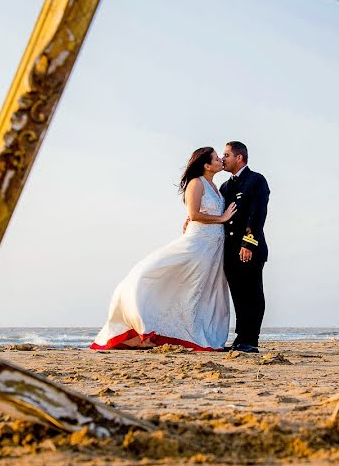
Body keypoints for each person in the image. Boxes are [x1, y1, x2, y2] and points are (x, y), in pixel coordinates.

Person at [91, 147, 237, 351]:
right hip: (198, 243)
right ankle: (143, 323)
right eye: (216, 158)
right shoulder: (196, 183)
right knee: (165, 276)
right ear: (206, 165)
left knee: (199, 291)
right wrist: (221, 218)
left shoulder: (216, 187)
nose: (221, 159)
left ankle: (194, 333)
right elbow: (194, 214)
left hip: (214, 247)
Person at [219, 141, 270, 353]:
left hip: (250, 247)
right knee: (238, 295)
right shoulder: (225, 187)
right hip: (230, 250)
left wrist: (248, 243)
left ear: (239, 157)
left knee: (253, 292)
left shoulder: (256, 180)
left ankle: (252, 339)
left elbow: (257, 214)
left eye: (226, 155)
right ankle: (241, 337)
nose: (223, 159)